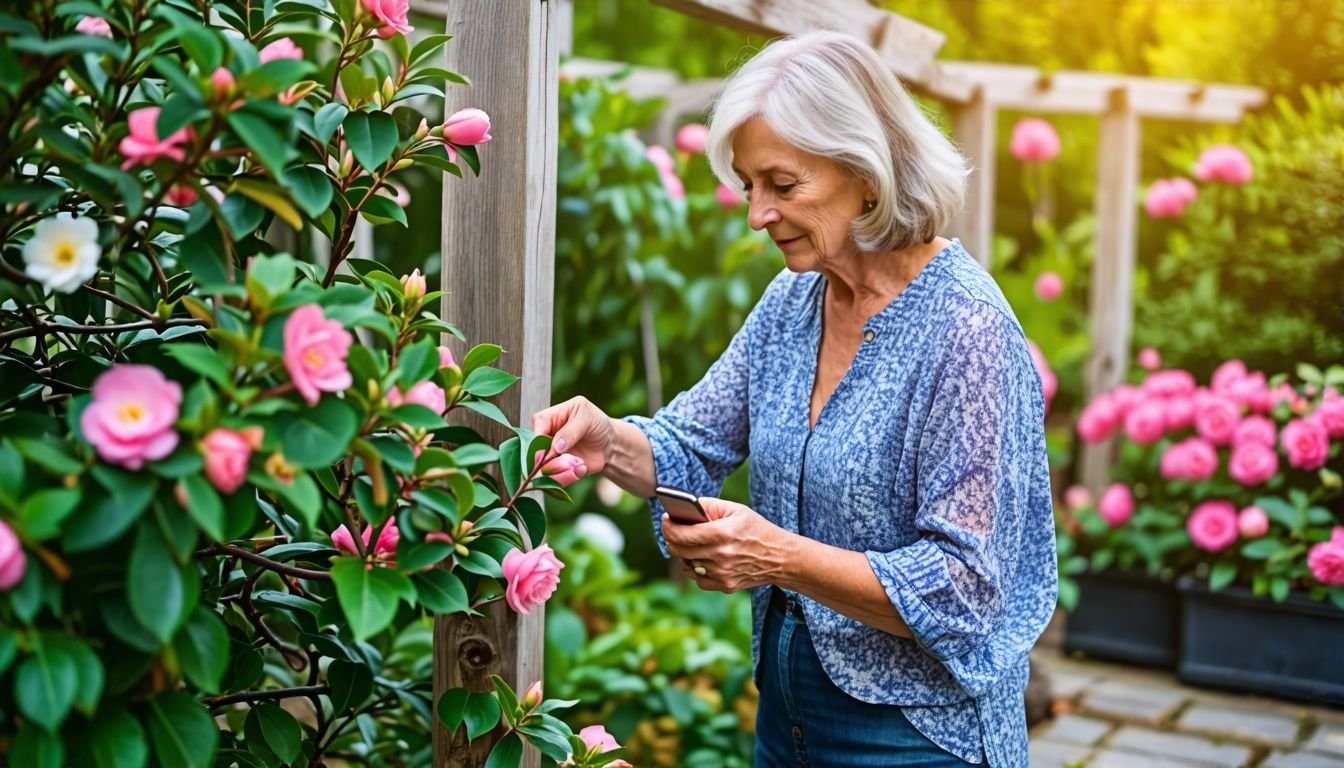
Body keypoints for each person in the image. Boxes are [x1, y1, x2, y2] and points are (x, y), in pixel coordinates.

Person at [533, 30, 1056, 768]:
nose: (756, 214)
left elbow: (965, 589)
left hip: (915, 739)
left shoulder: (965, 330)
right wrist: (608, 441)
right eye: (749, 185)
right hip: (786, 714)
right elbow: (693, 442)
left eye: (783, 186)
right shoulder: (795, 301)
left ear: (866, 172)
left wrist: (772, 554)